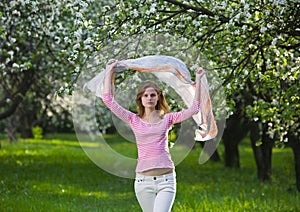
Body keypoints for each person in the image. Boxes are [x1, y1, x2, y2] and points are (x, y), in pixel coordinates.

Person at [101, 59, 206, 212]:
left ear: (158, 98)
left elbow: (194, 108)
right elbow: (107, 99)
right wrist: (109, 70)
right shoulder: (133, 119)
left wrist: (198, 79)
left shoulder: (168, 119)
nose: (149, 98)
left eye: (152, 95)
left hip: (166, 181)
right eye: (146, 95)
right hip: (143, 182)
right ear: (141, 99)